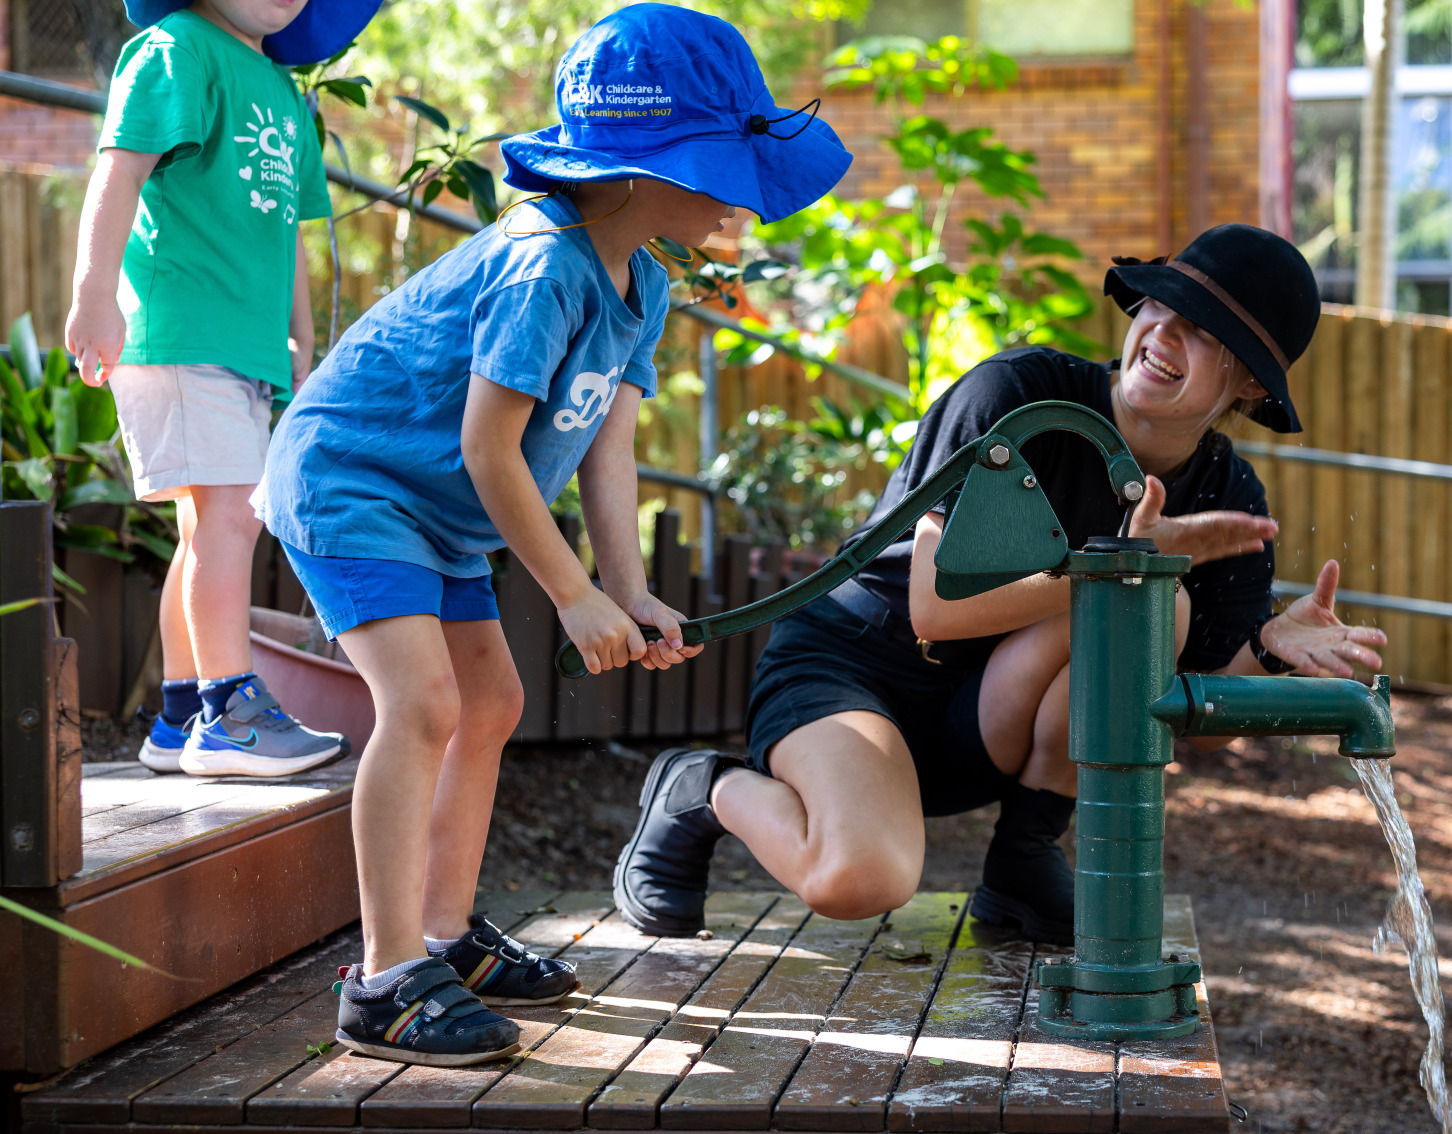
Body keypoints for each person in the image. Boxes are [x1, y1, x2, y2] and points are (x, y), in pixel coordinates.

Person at [253, 3, 851, 1065]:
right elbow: (492, 448)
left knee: (492, 699)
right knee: (426, 701)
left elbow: (604, 448)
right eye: (716, 164)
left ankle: (444, 934)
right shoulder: (542, 260)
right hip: (353, 477)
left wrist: (623, 585)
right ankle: (386, 975)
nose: (735, 195)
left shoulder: (644, 281)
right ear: (634, 167)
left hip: (433, 505)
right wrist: (572, 595)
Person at [615, 224, 1388, 943]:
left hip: (983, 722)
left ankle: (1024, 857)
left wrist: (1272, 648)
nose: (1166, 335)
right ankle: (701, 786)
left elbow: (1196, 716)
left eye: (1208, 335)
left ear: (1250, 384)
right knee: (859, 880)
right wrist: (1120, 558)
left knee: (1162, 605)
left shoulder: (1227, 494)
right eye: (1165, 306)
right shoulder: (1020, 400)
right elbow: (935, 605)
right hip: (853, 672)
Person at [66, 0, 381, 777]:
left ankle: (180, 717)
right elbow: (120, 168)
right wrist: (92, 294)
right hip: (180, 330)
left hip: (244, 348)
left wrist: (302, 335)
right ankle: (229, 713)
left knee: (209, 527)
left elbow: (287, 232)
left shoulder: (280, 85)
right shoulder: (176, 49)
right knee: (232, 519)